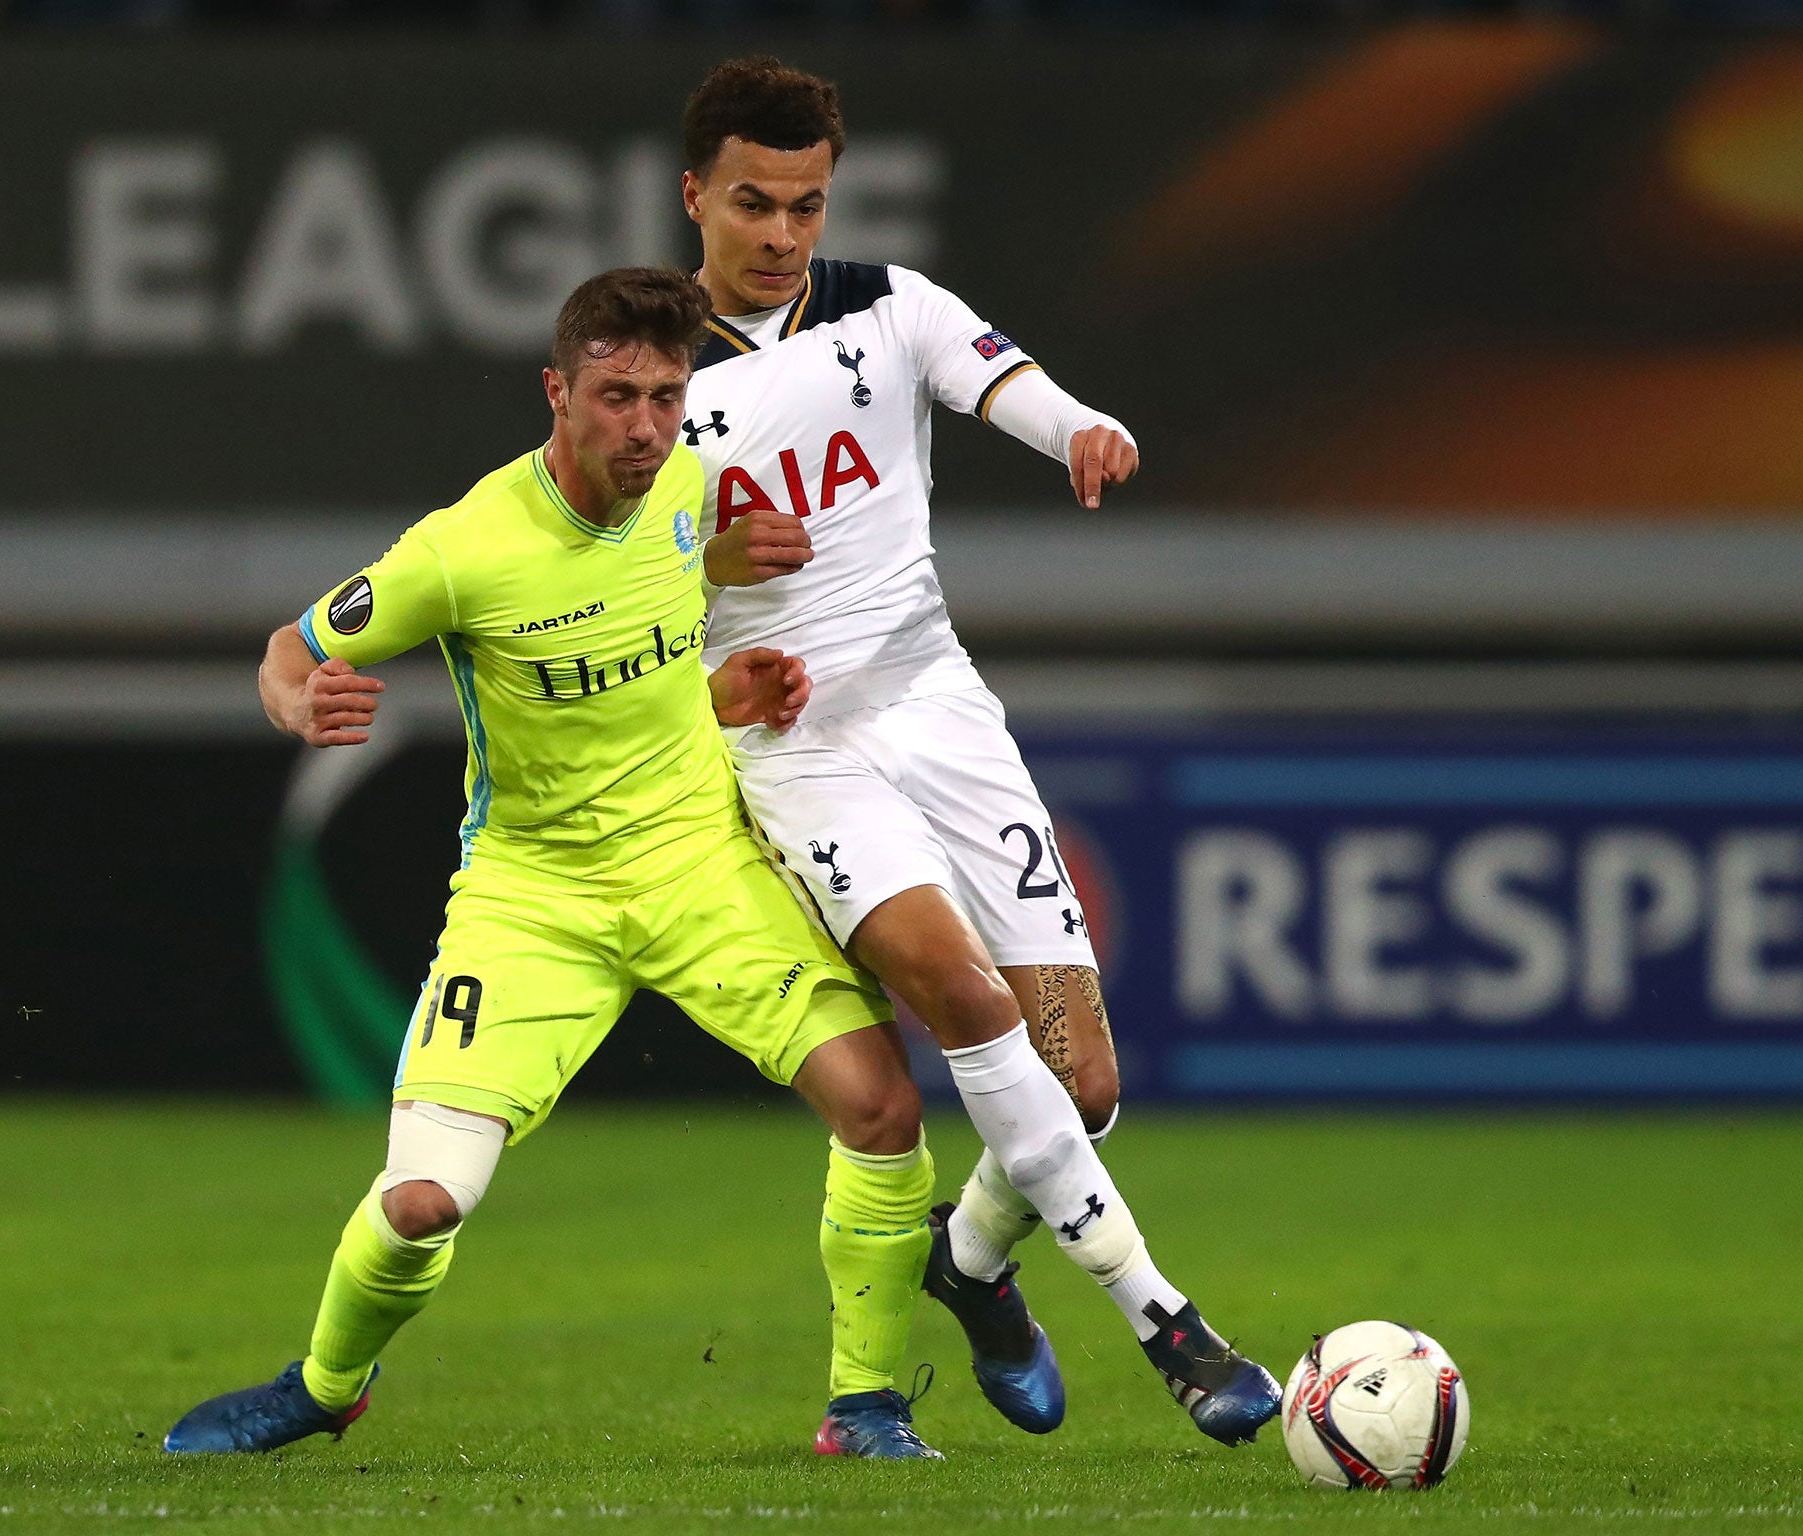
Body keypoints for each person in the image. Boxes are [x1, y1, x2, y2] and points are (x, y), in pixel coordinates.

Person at [163, 267, 945, 1460]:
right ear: (556, 392)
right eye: (616, 396)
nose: (645, 426)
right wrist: (296, 700)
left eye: (667, 396)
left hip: (698, 867)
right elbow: (290, 645)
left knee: (883, 1107)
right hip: (535, 897)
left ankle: (865, 1406)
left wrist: (723, 672)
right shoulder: (463, 550)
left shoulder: (684, 487)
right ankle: (323, 1385)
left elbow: (663, 597)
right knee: (422, 1204)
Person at [679, 58, 1281, 1446]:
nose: (782, 235)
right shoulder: (650, 373)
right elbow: (583, 565)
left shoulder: (886, 306)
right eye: (756, 204)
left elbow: (997, 377)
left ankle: (969, 1262)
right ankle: (1171, 1328)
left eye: (807, 205)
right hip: (794, 744)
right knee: (956, 994)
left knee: (1082, 1087)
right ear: (696, 194)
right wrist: (700, 572)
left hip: (936, 705)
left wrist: (1080, 427)